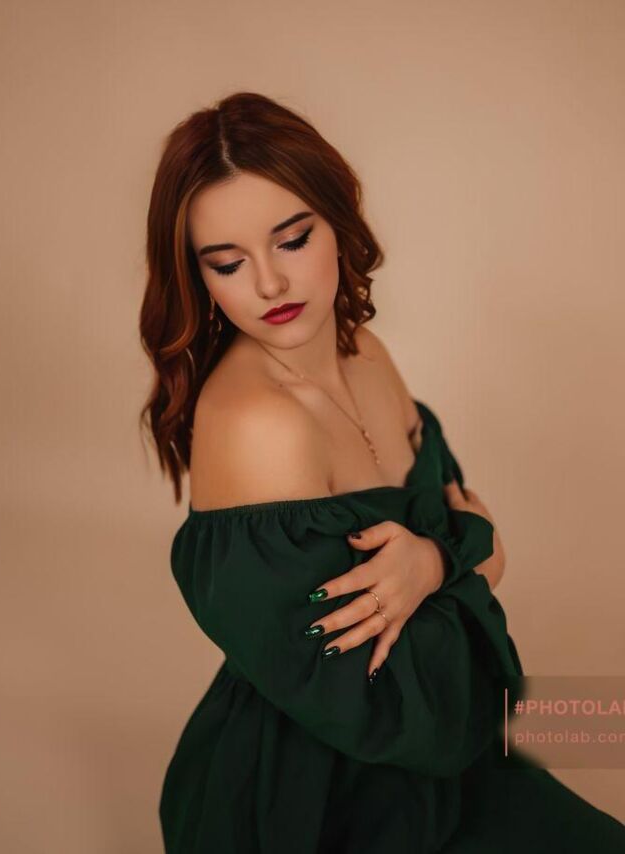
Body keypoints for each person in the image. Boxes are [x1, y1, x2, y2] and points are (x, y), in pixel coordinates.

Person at [139, 92, 625, 852]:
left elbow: (454, 539)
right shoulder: (257, 424)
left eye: (292, 240)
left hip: (442, 746)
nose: (268, 285)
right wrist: (461, 556)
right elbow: (379, 680)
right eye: (228, 263)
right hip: (314, 792)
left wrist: (435, 563)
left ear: (339, 222)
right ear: (199, 277)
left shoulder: (365, 353)